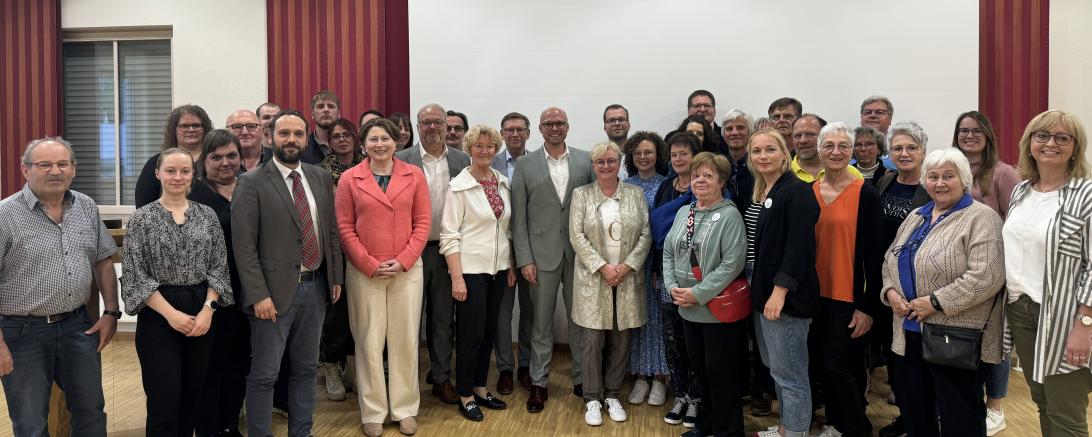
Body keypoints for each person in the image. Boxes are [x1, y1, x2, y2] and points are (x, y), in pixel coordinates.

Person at [232, 109, 344, 437]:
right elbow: (244, 247)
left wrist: (335, 277)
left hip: (316, 288)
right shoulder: (251, 182)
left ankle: (302, 432)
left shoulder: (319, 177)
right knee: (265, 374)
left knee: (306, 370)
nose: (291, 139)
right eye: (284, 134)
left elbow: (330, 231)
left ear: (306, 138)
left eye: (297, 134)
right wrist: (258, 295)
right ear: (271, 138)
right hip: (271, 294)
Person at [882, 148, 1006, 437]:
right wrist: (890, 292)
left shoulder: (981, 218)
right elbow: (889, 259)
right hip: (908, 331)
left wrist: (936, 303)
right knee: (914, 409)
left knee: (959, 414)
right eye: (933, 176)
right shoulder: (917, 215)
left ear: (964, 180)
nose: (939, 183)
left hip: (955, 337)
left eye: (948, 176)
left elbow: (987, 276)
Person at [0, 137, 119, 437]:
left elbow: (103, 261)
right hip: (21, 333)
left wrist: (111, 312)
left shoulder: (86, 206)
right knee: (30, 423)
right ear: (25, 170)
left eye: (62, 164)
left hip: (77, 326)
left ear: (73, 169)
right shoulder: (5, 215)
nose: (55, 171)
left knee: (91, 413)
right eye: (44, 165)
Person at [123, 147, 234, 436]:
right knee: (164, 400)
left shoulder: (207, 215)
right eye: (170, 171)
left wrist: (208, 311)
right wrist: (172, 315)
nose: (177, 177)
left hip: (202, 310)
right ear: (157, 174)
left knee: (192, 398)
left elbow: (218, 266)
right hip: (159, 312)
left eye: (184, 171)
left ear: (193, 176)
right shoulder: (142, 219)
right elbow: (136, 274)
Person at [337, 118, 430, 437]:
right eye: (373, 139)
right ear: (363, 145)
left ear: (396, 142)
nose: (380, 144)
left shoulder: (414, 175)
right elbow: (344, 227)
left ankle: (405, 409)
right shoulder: (350, 178)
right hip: (365, 273)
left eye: (385, 139)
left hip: (406, 271)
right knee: (369, 341)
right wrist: (368, 263)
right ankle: (373, 412)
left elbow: (423, 223)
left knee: (405, 341)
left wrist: (403, 260)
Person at [1004, 110, 1092, 437]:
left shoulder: (1086, 195)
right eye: (1042, 136)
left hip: (1065, 317)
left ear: (1075, 147)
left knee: (1065, 412)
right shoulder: (1021, 191)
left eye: (1062, 138)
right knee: (1042, 401)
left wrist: (1085, 323)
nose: (1050, 143)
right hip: (1021, 310)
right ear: (1029, 143)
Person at [511, 106, 594, 413]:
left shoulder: (585, 160)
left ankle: (582, 378)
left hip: (579, 255)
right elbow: (519, 217)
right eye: (549, 123)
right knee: (541, 324)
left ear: (567, 127)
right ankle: (539, 382)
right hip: (539, 257)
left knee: (579, 321)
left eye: (560, 123)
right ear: (540, 129)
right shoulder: (525, 164)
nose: (555, 127)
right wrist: (524, 259)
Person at [663, 152, 748, 437]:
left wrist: (698, 294)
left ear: (721, 181)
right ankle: (706, 426)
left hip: (717, 312)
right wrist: (671, 286)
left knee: (721, 376)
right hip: (687, 308)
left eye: (708, 176)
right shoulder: (684, 213)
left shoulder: (730, 215)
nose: (700, 180)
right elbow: (668, 252)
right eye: (696, 175)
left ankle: (728, 431)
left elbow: (732, 264)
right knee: (701, 373)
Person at [949, 110, 1022, 434]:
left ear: (988, 136)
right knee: (965, 339)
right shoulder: (952, 169)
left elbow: (1015, 223)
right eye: (963, 130)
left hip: (991, 270)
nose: (969, 136)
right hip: (955, 272)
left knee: (995, 341)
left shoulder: (1003, 173)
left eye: (976, 130)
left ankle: (995, 407)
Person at [808, 122, 882, 437]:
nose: (836, 152)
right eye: (829, 146)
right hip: (813, 296)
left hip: (848, 297)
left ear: (851, 151)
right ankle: (836, 423)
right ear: (820, 151)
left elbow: (875, 256)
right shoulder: (809, 192)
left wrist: (867, 308)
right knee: (820, 365)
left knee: (838, 366)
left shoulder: (865, 194)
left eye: (843, 146)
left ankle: (855, 427)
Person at [745, 129, 821, 437]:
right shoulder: (768, 190)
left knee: (790, 373)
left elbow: (799, 248)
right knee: (776, 366)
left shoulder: (797, 191)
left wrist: (780, 292)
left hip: (786, 298)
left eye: (770, 149)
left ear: (784, 154)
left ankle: (796, 432)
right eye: (757, 151)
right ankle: (786, 428)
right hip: (764, 292)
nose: (763, 156)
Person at [570, 142, 652, 426]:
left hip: (627, 278)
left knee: (621, 338)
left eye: (611, 161)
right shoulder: (581, 195)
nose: (606, 166)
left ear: (619, 163)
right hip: (594, 278)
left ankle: (613, 394)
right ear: (593, 166)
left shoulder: (635, 194)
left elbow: (645, 234)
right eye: (600, 162)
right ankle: (592, 398)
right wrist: (603, 267)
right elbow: (577, 236)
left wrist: (626, 266)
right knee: (592, 341)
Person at [396, 103, 471, 405]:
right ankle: (406, 383)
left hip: (446, 251)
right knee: (408, 320)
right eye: (426, 122)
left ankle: (440, 378)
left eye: (438, 122)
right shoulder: (402, 159)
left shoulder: (462, 160)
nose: (432, 127)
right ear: (418, 126)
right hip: (410, 251)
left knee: (442, 319)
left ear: (445, 126)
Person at [440, 124, 514, 422]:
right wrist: (457, 278)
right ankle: (465, 394)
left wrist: (509, 264)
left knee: (488, 332)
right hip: (470, 272)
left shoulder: (501, 182)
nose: (485, 151)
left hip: (498, 270)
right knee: (470, 335)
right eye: (479, 146)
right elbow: (449, 236)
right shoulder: (459, 186)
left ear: (496, 149)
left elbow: (505, 229)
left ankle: (481, 387)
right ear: (469, 149)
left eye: (490, 146)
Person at [189, 130, 250, 437]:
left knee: (239, 365)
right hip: (208, 296)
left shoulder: (251, 188)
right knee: (211, 367)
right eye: (216, 157)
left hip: (248, 292)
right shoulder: (194, 194)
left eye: (231, 156)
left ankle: (230, 424)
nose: (225, 163)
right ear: (204, 161)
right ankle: (209, 429)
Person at [874, 121, 931, 437]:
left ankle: (922, 421)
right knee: (894, 356)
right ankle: (907, 417)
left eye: (911, 148)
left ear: (923, 151)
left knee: (916, 361)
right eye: (897, 148)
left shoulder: (932, 186)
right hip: (886, 283)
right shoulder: (886, 181)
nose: (904, 153)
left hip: (916, 286)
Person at [651, 132, 702, 428]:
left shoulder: (703, 186)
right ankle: (680, 394)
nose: (679, 159)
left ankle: (697, 398)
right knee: (672, 337)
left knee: (694, 337)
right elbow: (657, 228)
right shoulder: (665, 187)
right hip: (666, 273)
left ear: (695, 156)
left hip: (696, 275)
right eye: (674, 154)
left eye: (684, 153)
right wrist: (656, 270)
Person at [316, 117, 364, 402]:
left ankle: (353, 368)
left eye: (347, 135)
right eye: (336, 136)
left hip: (365, 247)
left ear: (355, 138)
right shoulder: (320, 172)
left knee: (360, 310)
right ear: (329, 141)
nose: (342, 140)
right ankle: (332, 366)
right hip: (333, 248)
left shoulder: (368, 166)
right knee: (336, 312)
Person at [621, 132, 669, 406]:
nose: (643, 157)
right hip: (632, 263)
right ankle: (640, 375)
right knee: (637, 318)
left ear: (658, 154)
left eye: (648, 152)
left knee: (659, 320)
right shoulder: (625, 186)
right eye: (637, 152)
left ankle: (660, 377)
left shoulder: (667, 185)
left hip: (658, 263)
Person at [493, 111, 534, 394]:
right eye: (510, 130)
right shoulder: (489, 163)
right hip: (500, 249)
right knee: (502, 314)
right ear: (502, 134)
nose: (515, 134)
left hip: (532, 250)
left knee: (531, 312)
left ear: (528, 133)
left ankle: (527, 366)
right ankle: (505, 367)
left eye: (520, 130)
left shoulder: (539, 163)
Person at [134, 104, 214, 207]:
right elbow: (143, 204)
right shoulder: (156, 162)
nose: (191, 130)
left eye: (196, 125)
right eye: (184, 126)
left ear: (205, 128)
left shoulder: (216, 160)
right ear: (174, 130)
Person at [791, 114, 864, 182]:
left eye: (810, 134)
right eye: (797, 136)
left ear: (823, 137)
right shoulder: (786, 173)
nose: (803, 140)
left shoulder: (852, 173)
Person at [604, 104, 632, 180]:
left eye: (621, 119)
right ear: (605, 127)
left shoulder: (639, 156)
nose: (617, 123)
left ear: (628, 125)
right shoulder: (598, 158)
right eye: (611, 120)